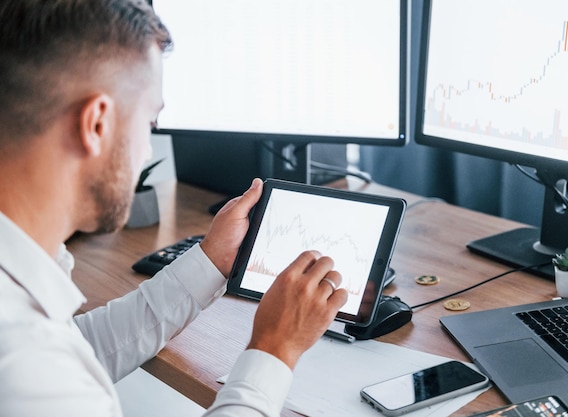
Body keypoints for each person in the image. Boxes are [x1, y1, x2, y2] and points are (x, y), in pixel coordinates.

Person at [0, 1, 348, 416]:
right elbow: (48, 368)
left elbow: (79, 349)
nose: (147, 149)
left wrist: (210, 261)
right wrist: (274, 349)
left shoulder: (30, 339)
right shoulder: (24, 359)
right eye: (149, 123)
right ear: (96, 124)